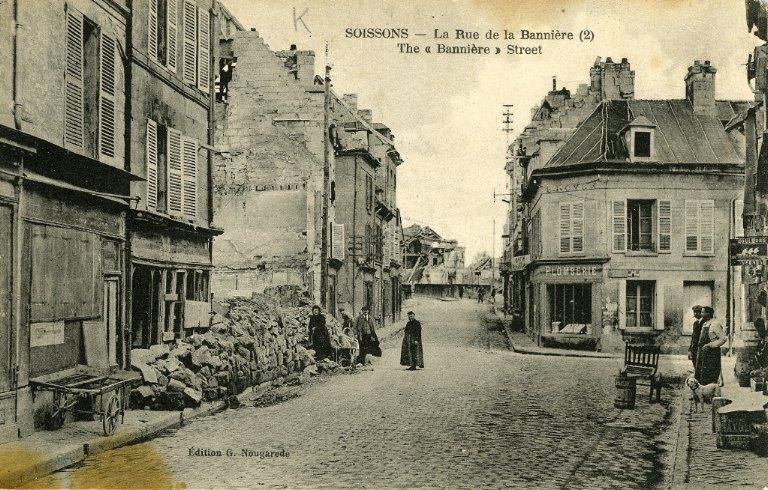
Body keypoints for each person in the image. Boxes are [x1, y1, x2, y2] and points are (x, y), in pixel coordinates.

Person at [694, 306, 727, 385]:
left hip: (712, 354)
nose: (701, 314)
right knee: (700, 374)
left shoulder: (715, 324)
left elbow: (723, 339)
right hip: (702, 353)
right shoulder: (705, 324)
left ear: (708, 314)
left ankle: (710, 394)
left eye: (702, 312)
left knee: (710, 376)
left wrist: (710, 345)